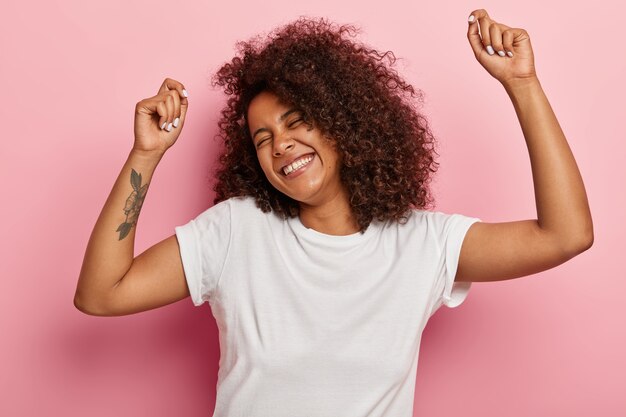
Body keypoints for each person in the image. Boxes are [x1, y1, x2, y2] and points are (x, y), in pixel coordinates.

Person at [74, 9, 593, 416]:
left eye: (297, 122)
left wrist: (522, 84)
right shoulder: (236, 231)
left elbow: (566, 235)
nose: (281, 146)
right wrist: (146, 154)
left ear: (342, 122)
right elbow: (102, 294)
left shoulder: (422, 244)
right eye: (263, 139)